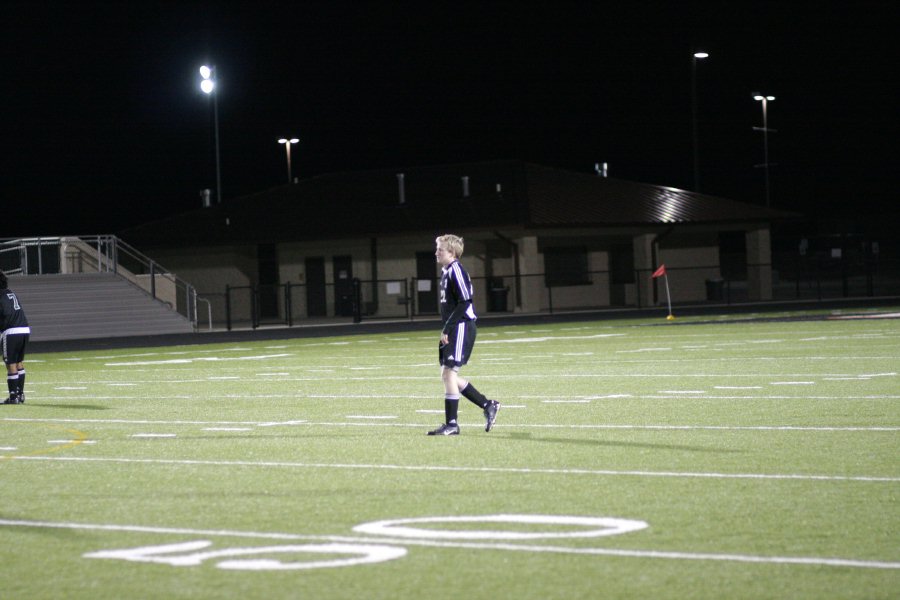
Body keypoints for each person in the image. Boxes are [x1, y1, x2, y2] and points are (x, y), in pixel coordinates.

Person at [428, 234, 500, 435]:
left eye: (440, 249)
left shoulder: (456, 270)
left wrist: (447, 328)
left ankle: (452, 424)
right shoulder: (447, 271)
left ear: (451, 252)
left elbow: (465, 301)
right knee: (447, 375)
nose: (436, 252)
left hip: (461, 326)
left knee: (449, 373)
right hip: (455, 326)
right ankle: (487, 404)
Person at [1, 271, 30, 405]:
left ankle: (13, 397)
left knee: (10, 363)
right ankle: (20, 394)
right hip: (24, 329)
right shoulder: (10, 292)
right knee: (18, 362)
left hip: (11, 331)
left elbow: (5, 314)